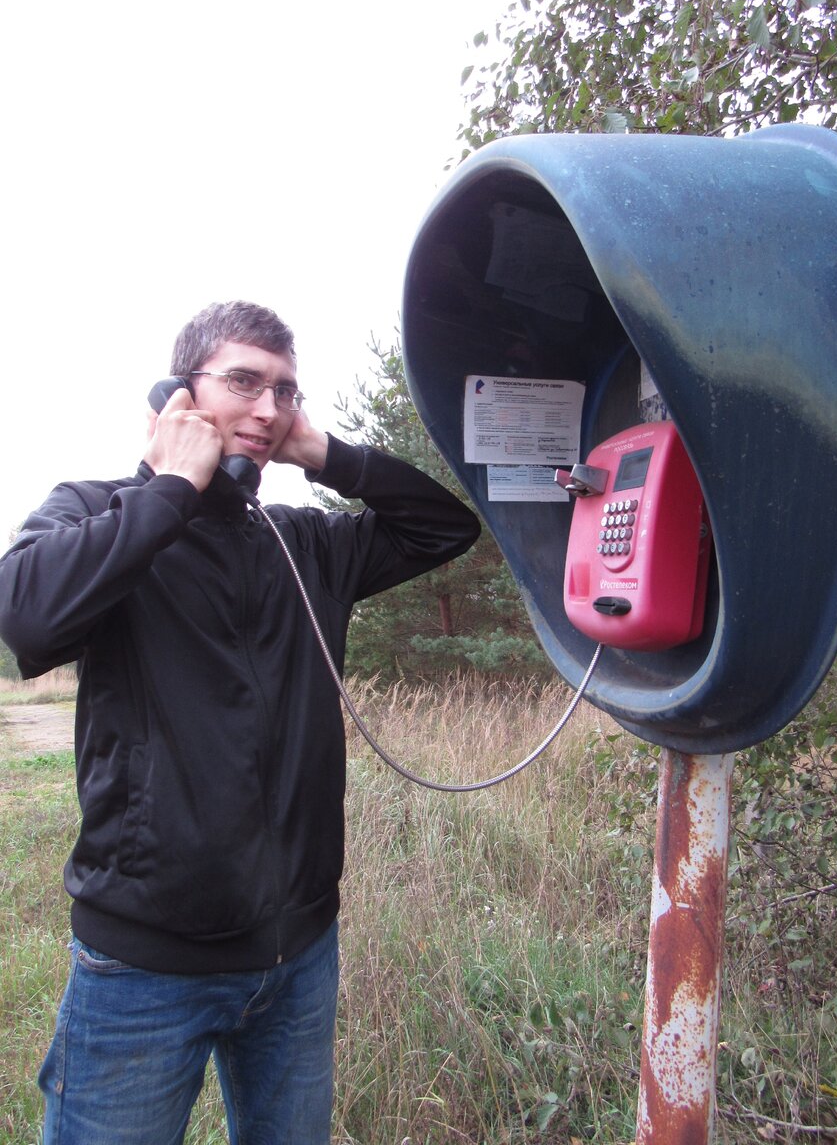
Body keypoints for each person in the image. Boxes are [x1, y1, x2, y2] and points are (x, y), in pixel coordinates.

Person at [0, 300, 480, 1144]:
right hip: (145, 965)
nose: (267, 408)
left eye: (285, 392)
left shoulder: (305, 547)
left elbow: (447, 527)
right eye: (244, 382)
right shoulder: (103, 514)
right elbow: (27, 621)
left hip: (297, 954)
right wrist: (169, 489)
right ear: (180, 394)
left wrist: (325, 454)